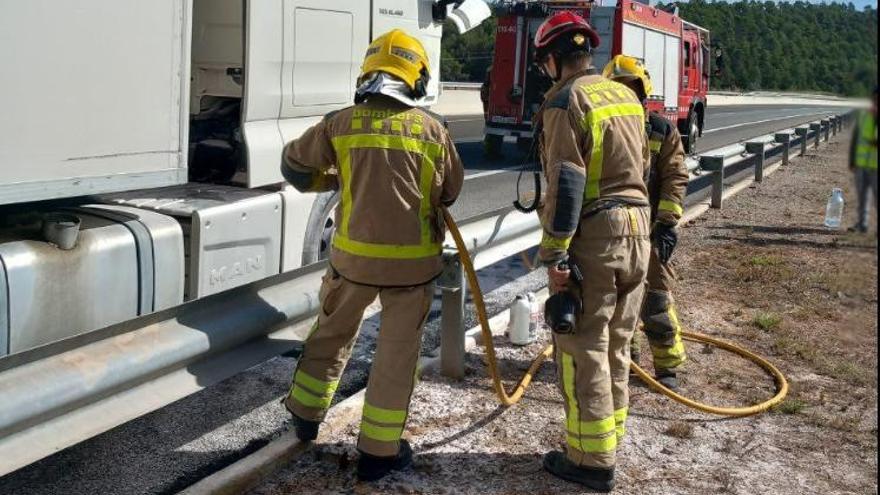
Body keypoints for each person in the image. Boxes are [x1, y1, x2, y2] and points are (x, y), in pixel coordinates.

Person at [279, 29, 463, 482]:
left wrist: (339, 181)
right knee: (396, 355)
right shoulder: (434, 131)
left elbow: (294, 168)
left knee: (330, 336)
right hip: (412, 270)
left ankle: (304, 417)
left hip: (352, 264)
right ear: (416, 77)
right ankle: (379, 453)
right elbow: (451, 192)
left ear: (369, 73)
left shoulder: (339, 123)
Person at [532, 11, 651, 492]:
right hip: (638, 232)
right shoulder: (624, 94)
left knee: (584, 349)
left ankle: (590, 461)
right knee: (618, 343)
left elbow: (567, 180)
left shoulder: (565, 99)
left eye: (544, 63)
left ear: (554, 59)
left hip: (596, 234)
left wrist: (556, 256)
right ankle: (610, 437)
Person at [603, 55, 689, 390]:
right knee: (618, 300)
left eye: (631, 89)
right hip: (613, 231)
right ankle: (629, 360)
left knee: (656, 301)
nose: (625, 95)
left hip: (650, 233)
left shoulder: (661, 130)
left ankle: (667, 368)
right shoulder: (603, 127)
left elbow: (675, 176)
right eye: (619, 89)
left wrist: (667, 223)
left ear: (643, 93)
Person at [849, 86, 878, 233]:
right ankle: (862, 224)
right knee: (862, 197)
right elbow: (855, 139)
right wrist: (852, 161)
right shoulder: (864, 115)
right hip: (861, 164)